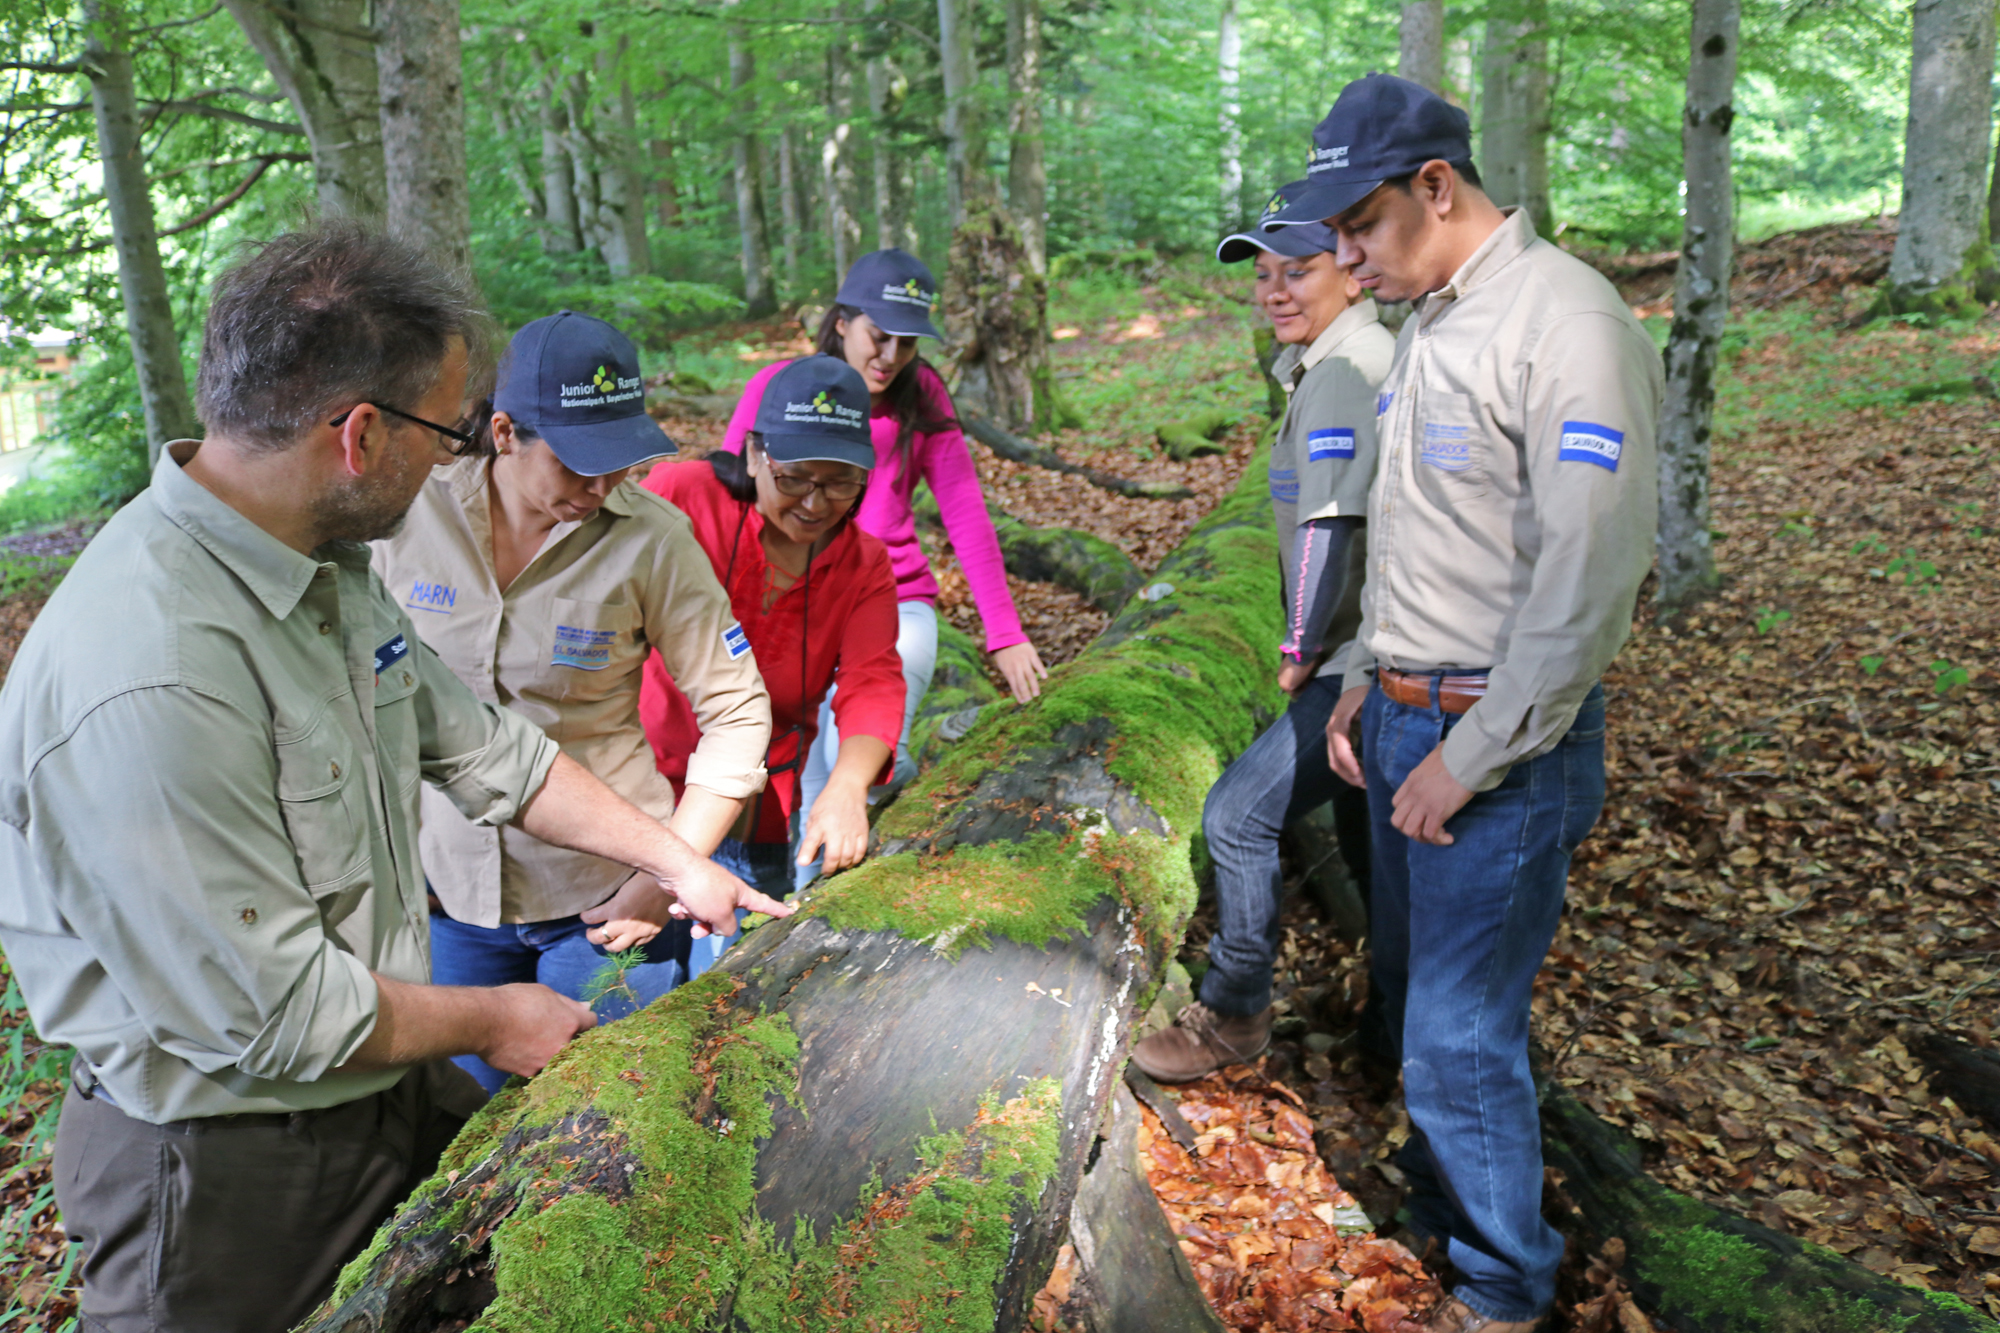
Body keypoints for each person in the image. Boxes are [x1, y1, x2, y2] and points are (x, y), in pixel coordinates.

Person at [0, 224, 790, 1333]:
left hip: (372, 1083)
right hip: (221, 1167)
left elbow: (478, 745)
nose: (457, 457)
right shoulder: (152, 672)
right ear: (362, 433)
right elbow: (268, 1010)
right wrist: (493, 1016)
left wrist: (672, 858)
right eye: (452, 430)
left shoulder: (322, 569)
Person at [1269, 75, 1662, 1333]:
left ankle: (1502, 1287)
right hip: (1396, 712)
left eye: (1362, 226)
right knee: (1411, 992)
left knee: (1455, 1030)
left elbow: (1585, 579)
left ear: (1437, 187)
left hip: (1495, 742)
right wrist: (1359, 678)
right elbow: (1417, 533)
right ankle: (1450, 1215)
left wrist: (1471, 753)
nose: (1342, 257)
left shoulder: (1568, 325)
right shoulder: (1426, 320)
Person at [371, 310, 774, 1096]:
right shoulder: (406, 519)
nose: (600, 486)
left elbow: (736, 711)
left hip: (607, 902)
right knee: (465, 1136)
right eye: (577, 462)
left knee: (607, 1123)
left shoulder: (652, 540)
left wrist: (671, 870)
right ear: (504, 432)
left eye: (618, 462)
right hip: (450, 903)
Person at [1131, 182, 1393, 1085]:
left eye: (1300, 271)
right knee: (1368, 841)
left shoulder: (1342, 375)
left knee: (1237, 815)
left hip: (1362, 657)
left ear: (1353, 275)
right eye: (1265, 275)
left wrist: (1299, 648)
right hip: (1380, 654)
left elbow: (1329, 526)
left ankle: (1236, 1011)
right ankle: (1388, 1020)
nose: (1276, 290)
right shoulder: (1338, 361)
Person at [715, 248, 1047, 887]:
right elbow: (731, 492)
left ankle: (874, 809)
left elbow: (966, 511)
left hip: (895, 598)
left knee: (852, 768)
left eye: (908, 341)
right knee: (806, 779)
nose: (891, 355)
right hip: (796, 605)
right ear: (842, 320)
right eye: (879, 334)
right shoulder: (780, 388)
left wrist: (1004, 631)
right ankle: (804, 916)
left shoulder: (922, 395)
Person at [640, 354, 905, 960]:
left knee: (740, 981)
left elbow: (873, 679)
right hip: (647, 796)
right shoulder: (685, 497)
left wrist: (845, 786)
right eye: (795, 478)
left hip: (757, 812)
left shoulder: (863, 563)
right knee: (641, 979)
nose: (815, 503)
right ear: (756, 455)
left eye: (840, 482)